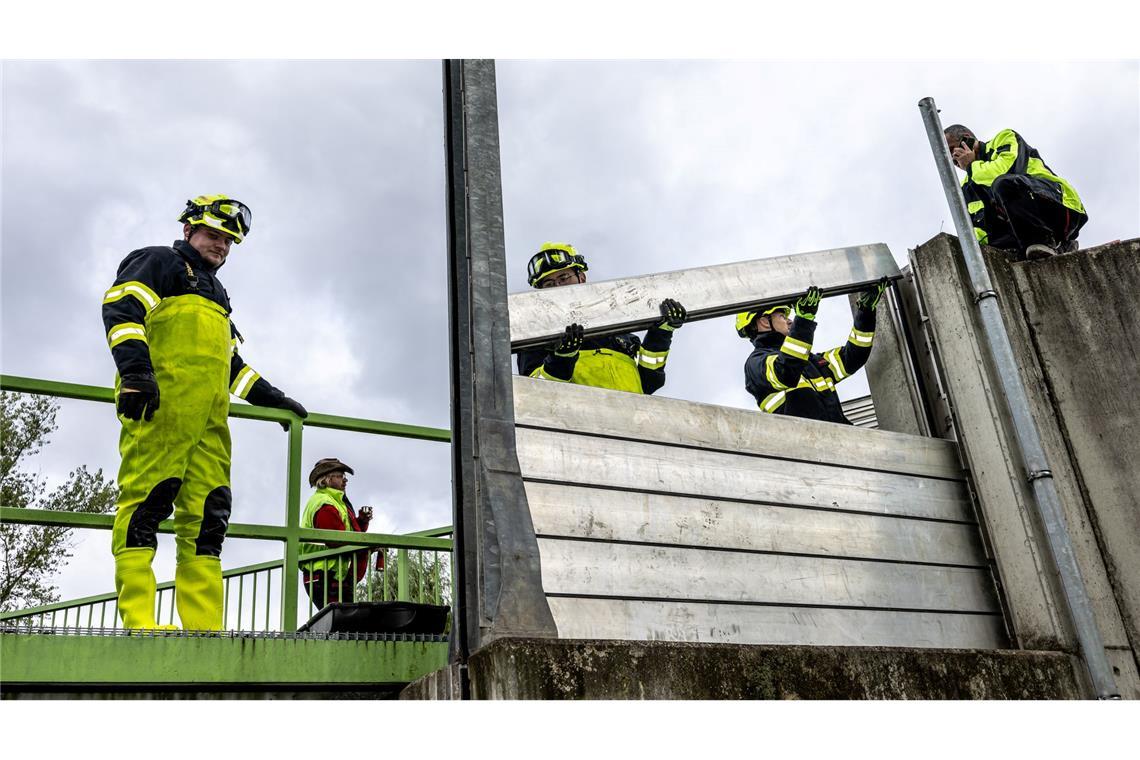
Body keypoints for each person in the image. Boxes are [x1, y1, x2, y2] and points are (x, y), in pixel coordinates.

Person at [102, 194, 308, 630]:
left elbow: (228, 363)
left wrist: (271, 397)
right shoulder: (155, 262)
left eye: (229, 241)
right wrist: (137, 374)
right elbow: (121, 312)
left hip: (211, 425)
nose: (222, 246)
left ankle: (203, 629)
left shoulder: (217, 292)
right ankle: (140, 623)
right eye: (214, 235)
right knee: (144, 509)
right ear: (188, 231)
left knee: (209, 519)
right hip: (161, 410)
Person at [516, 242, 688, 394]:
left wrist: (661, 334)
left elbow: (650, 381)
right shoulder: (538, 334)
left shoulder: (614, 327)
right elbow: (536, 391)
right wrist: (562, 358)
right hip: (579, 426)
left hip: (635, 423)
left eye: (563, 277)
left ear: (581, 277)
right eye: (549, 284)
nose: (558, 287)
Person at [737, 277, 888, 424]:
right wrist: (803, 321)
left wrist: (866, 312)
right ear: (764, 322)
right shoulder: (756, 363)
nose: (790, 320)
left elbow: (854, 356)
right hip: (807, 446)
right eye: (783, 316)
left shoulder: (810, 362)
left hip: (841, 441)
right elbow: (786, 371)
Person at [943, 124, 1087, 261]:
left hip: (1057, 204)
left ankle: (1051, 241)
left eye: (952, 149)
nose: (953, 158)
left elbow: (1007, 171)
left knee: (1003, 184)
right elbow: (977, 229)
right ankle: (1039, 246)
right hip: (1020, 232)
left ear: (967, 138)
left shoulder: (1004, 138)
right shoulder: (967, 187)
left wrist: (971, 166)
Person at [300, 458, 376, 609]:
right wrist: (367, 547)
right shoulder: (325, 504)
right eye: (340, 476)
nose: (345, 480)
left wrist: (361, 521)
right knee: (344, 625)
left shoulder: (333, 500)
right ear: (327, 479)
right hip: (324, 575)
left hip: (328, 574)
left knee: (343, 625)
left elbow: (343, 533)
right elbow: (337, 539)